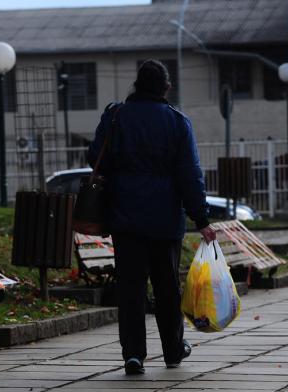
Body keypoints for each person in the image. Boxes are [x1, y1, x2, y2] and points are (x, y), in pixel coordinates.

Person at [88, 59, 216, 375]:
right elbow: (190, 174)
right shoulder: (177, 122)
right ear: (166, 87)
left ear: (136, 84)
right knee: (167, 287)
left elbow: (95, 158)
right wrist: (201, 218)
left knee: (130, 289)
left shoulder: (116, 116)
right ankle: (173, 350)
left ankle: (133, 355)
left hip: (125, 216)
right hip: (164, 220)